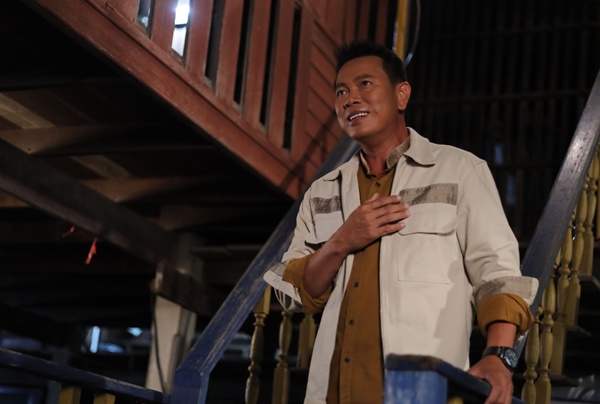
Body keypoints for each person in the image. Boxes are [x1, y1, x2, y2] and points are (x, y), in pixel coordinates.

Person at [264, 41, 538, 404]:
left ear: (401, 95)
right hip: (331, 395)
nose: (350, 99)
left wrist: (498, 357)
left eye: (365, 84)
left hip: (420, 393)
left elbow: (497, 272)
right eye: (341, 92)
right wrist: (342, 241)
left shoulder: (460, 170)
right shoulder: (322, 192)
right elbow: (297, 293)